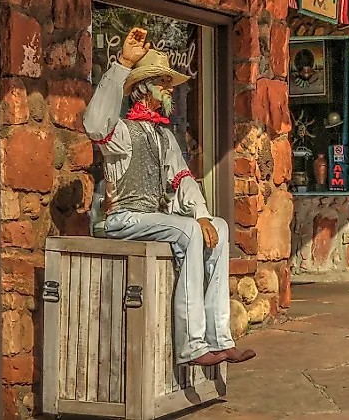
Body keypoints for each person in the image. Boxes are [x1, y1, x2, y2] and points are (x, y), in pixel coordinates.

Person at [84, 27, 255, 367]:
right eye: (162, 83)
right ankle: (192, 346)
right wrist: (121, 65)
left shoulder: (164, 135)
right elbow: (94, 124)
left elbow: (183, 179)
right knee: (188, 231)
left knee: (217, 227)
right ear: (144, 90)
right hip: (123, 217)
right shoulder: (121, 131)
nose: (168, 90)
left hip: (150, 218)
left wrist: (204, 214)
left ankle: (219, 338)